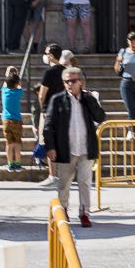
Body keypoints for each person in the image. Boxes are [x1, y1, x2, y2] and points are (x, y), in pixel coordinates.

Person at [42, 66, 104, 227]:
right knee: (64, 183)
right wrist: (50, 147)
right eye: (67, 81)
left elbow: (100, 116)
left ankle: (84, 213)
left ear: (80, 82)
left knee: (84, 182)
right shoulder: (57, 100)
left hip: (85, 148)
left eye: (73, 81)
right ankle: (63, 211)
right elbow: (48, 126)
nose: (70, 84)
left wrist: (90, 99)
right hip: (66, 149)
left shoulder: (88, 99)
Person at [2, 65, 26, 172]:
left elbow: (6, 82)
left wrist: (9, 71)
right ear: (17, 83)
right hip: (17, 120)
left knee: (9, 143)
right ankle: (18, 163)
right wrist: (16, 73)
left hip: (6, 120)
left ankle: (10, 164)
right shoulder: (18, 92)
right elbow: (19, 85)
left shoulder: (4, 91)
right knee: (17, 143)